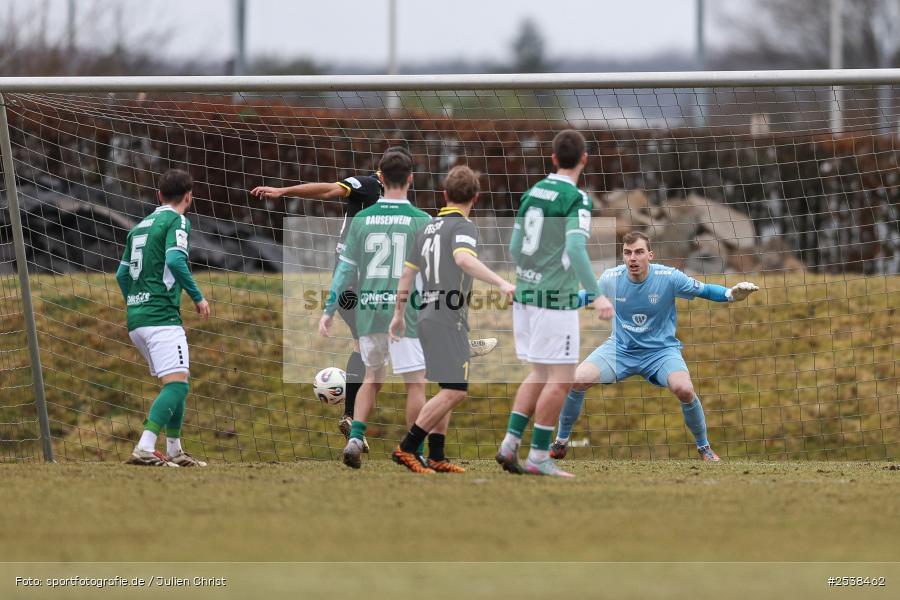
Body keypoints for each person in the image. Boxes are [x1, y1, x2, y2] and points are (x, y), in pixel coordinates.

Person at [550, 231, 759, 462]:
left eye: (639, 252)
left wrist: (731, 294)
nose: (633, 258)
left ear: (650, 254)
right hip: (621, 349)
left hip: (661, 352)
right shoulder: (611, 278)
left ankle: (705, 449)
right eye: (627, 253)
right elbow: (583, 297)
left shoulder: (669, 277)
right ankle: (560, 443)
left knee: (685, 390)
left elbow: (705, 290)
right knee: (577, 379)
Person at [496, 130, 614, 478]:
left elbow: (516, 247)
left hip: (526, 295)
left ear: (551, 158)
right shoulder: (575, 199)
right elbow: (577, 249)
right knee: (562, 380)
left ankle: (509, 444)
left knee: (540, 372)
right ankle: (537, 456)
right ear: (584, 160)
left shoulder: (533, 193)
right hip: (554, 300)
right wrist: (597, 295)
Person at [389, 166, 515, 474]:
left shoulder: (427, 228)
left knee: (447, 387)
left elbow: (406, 274)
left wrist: (398, 316)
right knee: (456, 390)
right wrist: (501, 283)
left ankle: (437, 456)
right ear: (476, 197)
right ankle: (407, 448)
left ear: (444, 195)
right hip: (448, 317)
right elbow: (462, 259)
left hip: (427, 315)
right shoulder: (464, 227)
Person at [251, 170, 384, 451]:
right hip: (351, 284)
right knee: (373, 350)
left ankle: (353, 421)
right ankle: (352, 417)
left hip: (361, 285)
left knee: (373, 357)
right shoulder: (370, 184)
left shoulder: (391, 202)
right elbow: (329, 191)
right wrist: (283, 191)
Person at [318, 147, 432, 469]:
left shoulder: (363, 219)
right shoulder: (422, 221)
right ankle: (412, 448)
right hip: (403, 313)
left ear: (380, 177)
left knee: (372, 377)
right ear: (410, 179)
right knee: (416, 382)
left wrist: (328, 310)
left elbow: (344, 269)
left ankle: (355, 437)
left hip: (368, 309)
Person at [117, 168, 210, 467]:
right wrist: (197, 296)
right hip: (161, 318)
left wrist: (136, 302)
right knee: (178, 385)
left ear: (159, 195)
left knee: (178, 379)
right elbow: (174, 259)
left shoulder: (139, 226)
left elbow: (121, 274)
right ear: (188, 196)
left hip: (137, 318)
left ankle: (175, 451)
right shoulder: (177, 220)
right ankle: (145, 446)